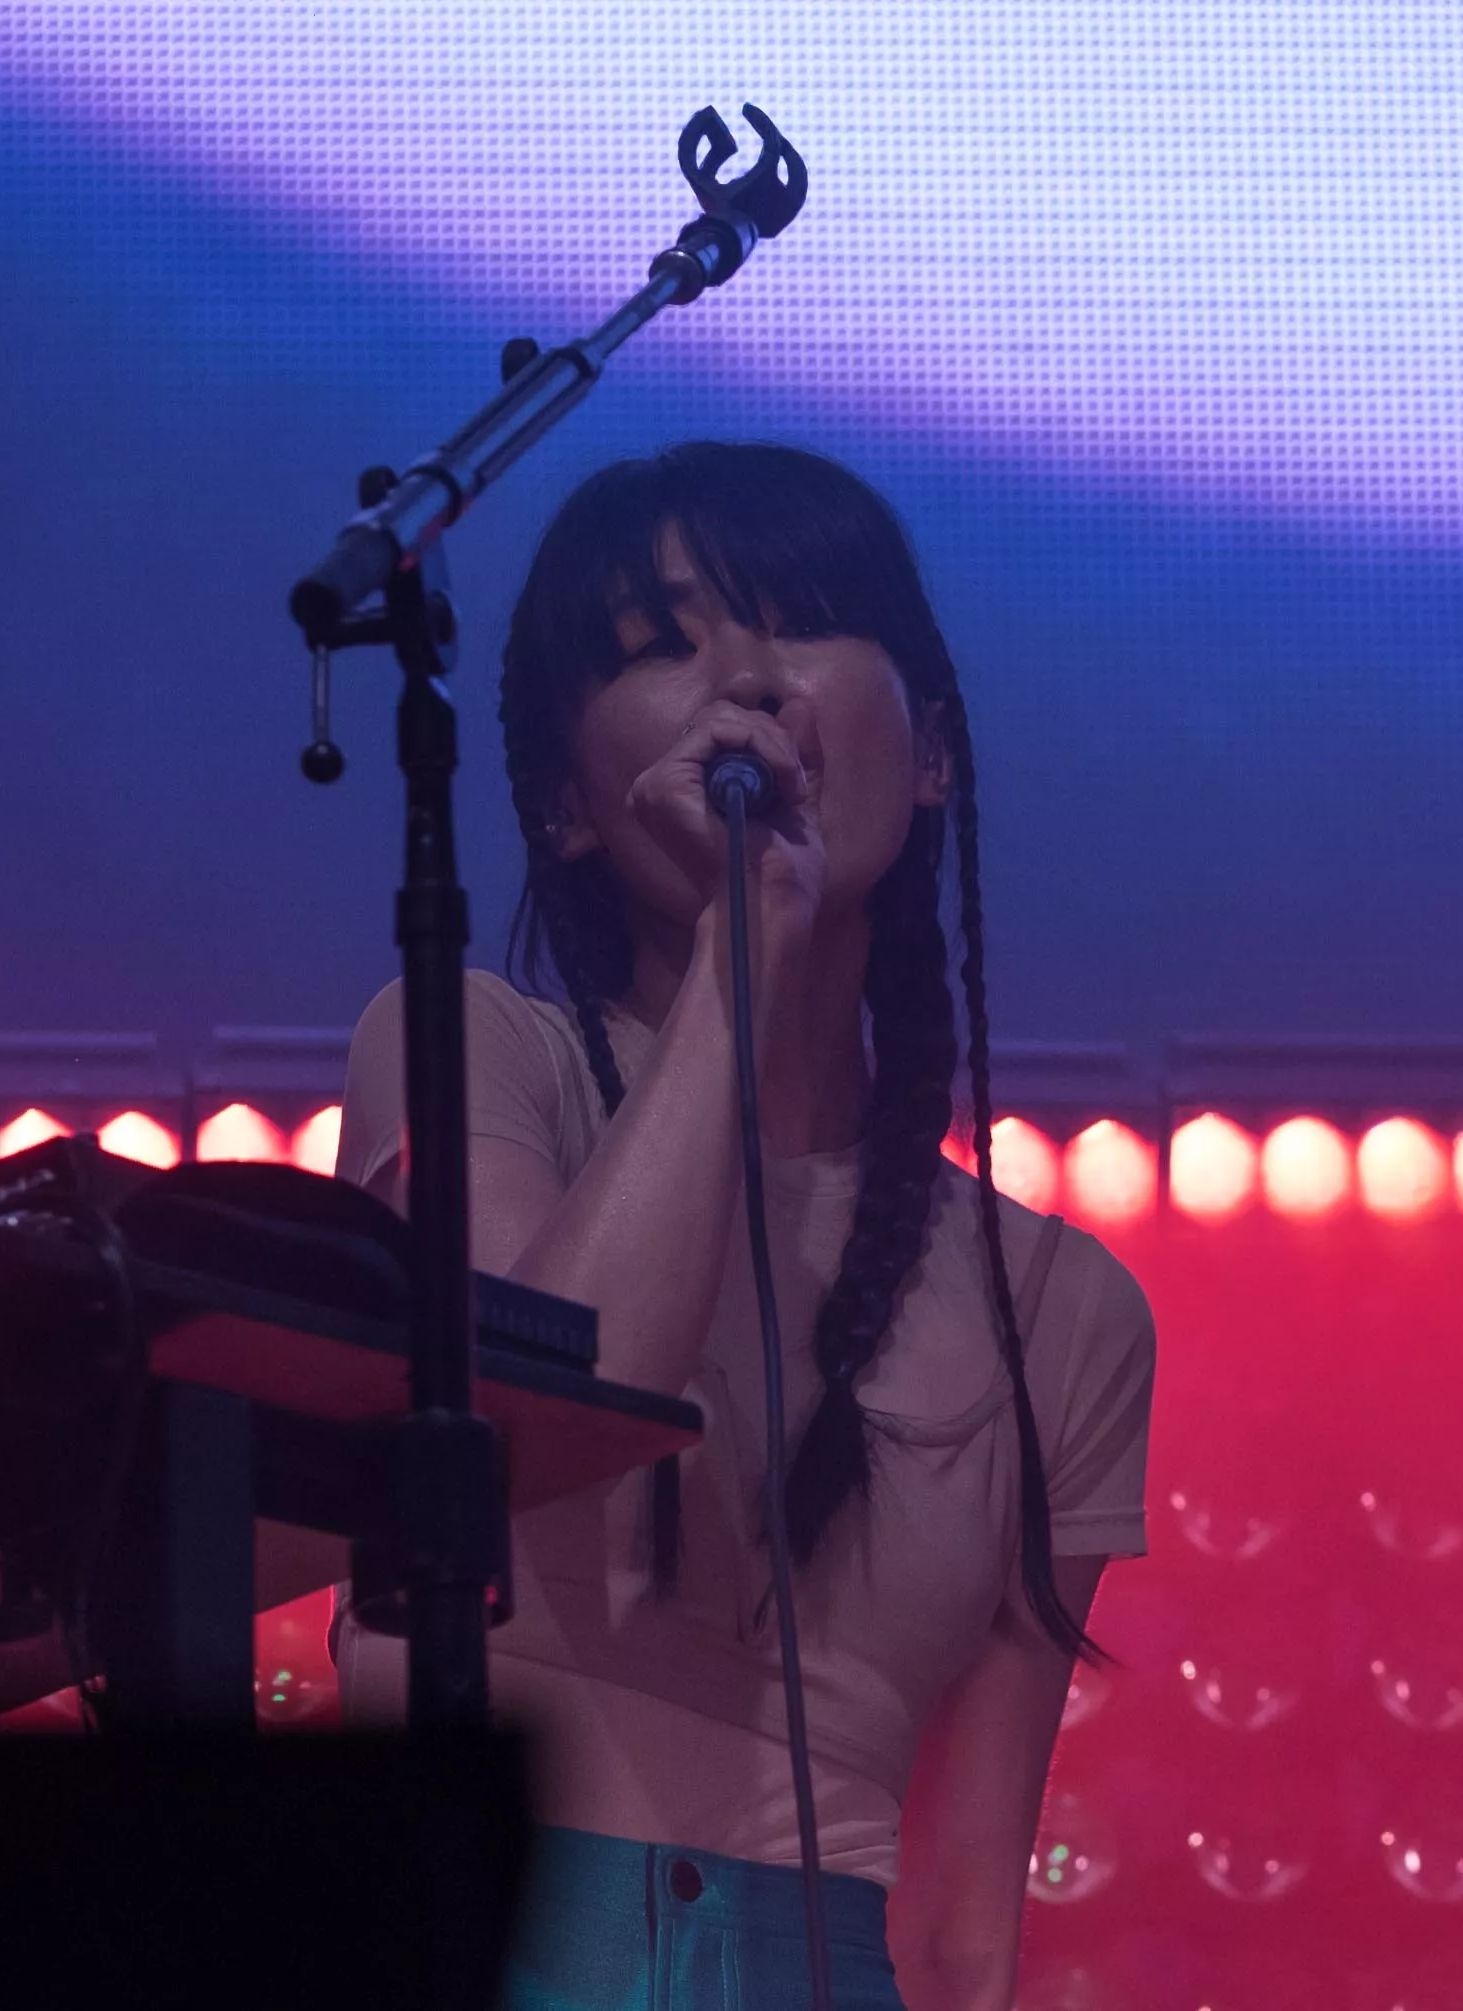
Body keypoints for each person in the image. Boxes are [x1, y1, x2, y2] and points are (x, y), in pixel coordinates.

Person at [329, 441, 1158, 2011]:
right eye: (662, 644)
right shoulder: (473, 1054)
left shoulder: (1062, 1307)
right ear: (567, 806)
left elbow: (965, 1922)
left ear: (932, 754)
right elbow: (551, 1415)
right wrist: (741, 956)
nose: (748, 683)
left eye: (803, 620)